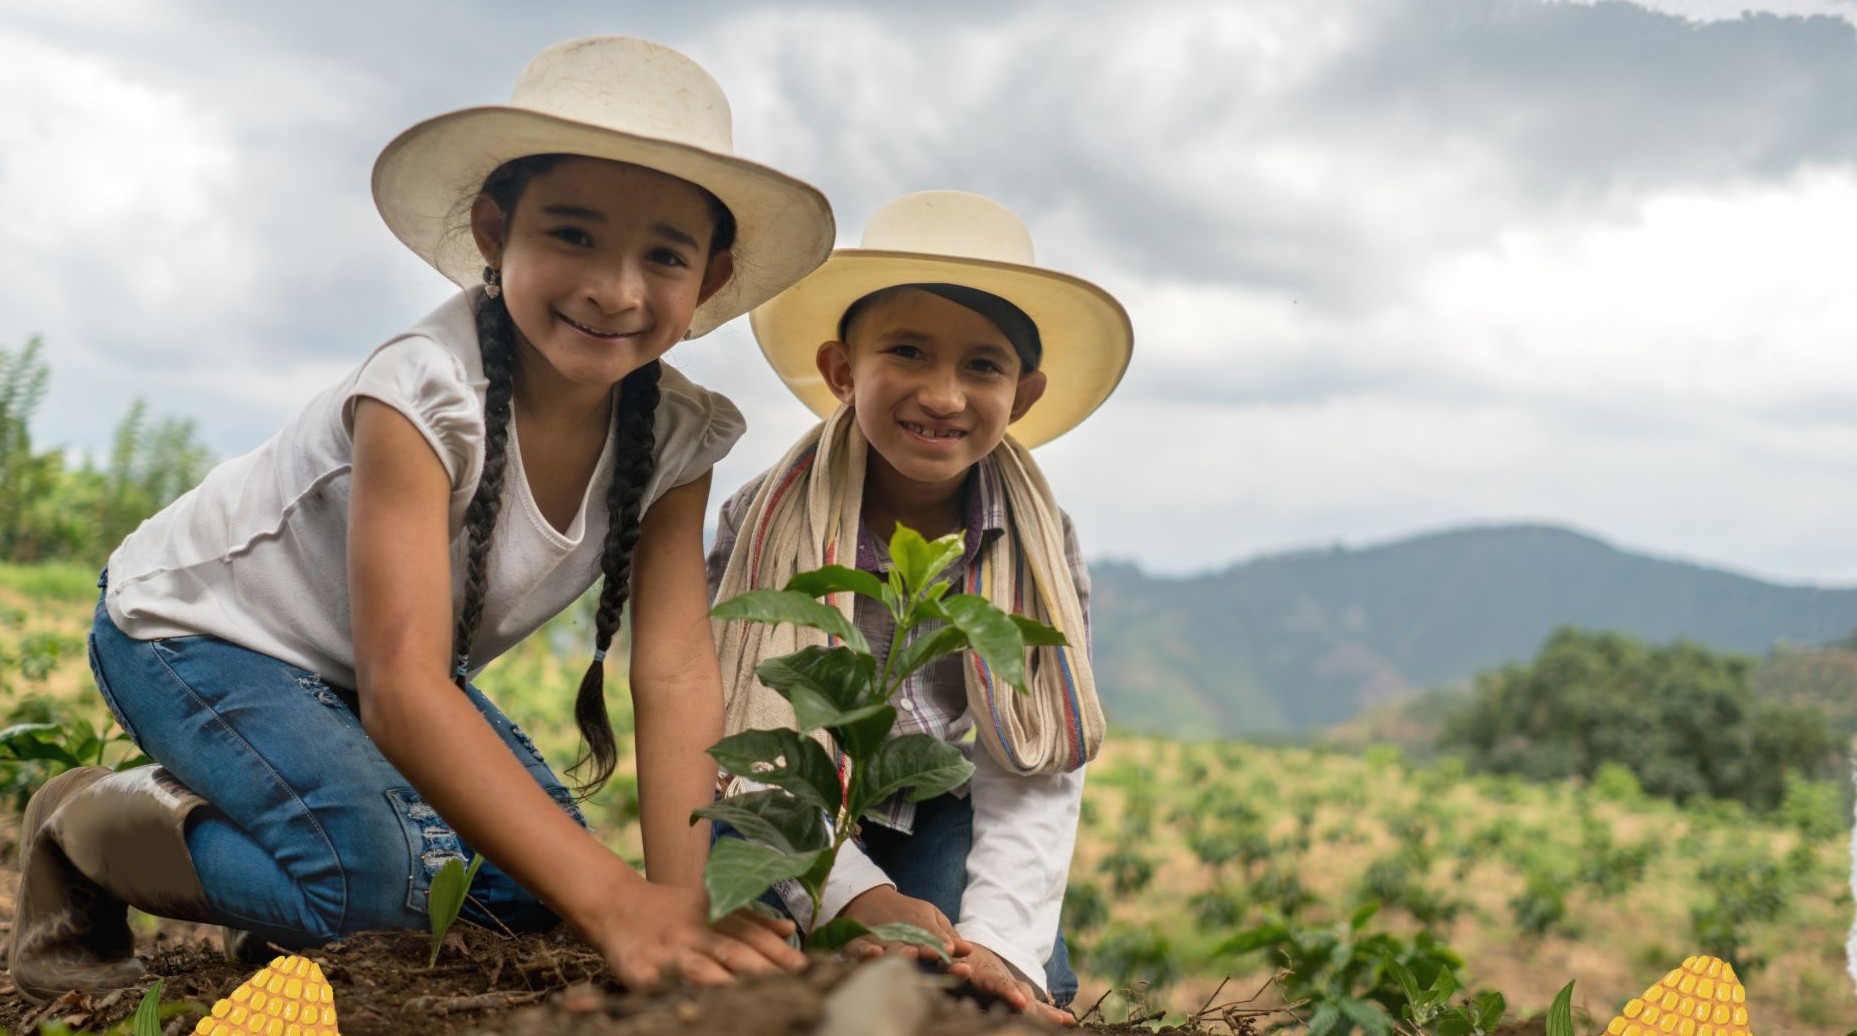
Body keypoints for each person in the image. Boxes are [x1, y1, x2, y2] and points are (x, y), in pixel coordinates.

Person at [8, 36, 836, 1003]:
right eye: (572, 235)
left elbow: (676, 670)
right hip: (194, 630)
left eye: (664, 255)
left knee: (523, 897)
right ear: (493, 230)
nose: (616, 289)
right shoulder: (422, 391)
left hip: (350, 671)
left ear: (712, 279)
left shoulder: (679, 436)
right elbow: (404, 691)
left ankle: (283, 885)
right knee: (384, 884)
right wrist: (615, 903)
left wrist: (679, 902)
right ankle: (82, 827)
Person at [707, 190, 1132, 1025]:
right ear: (841, 370)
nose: (943, 396)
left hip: (932, 804)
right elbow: (740, 730)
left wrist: (998, 947)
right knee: (770, 939)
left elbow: (1033, 763)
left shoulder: (1038, 546)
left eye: (983, 366)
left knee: (973, 969)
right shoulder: (763, 518)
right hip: (785, 794)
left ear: (1024, 394)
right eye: (906, 351)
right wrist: (856, 896)